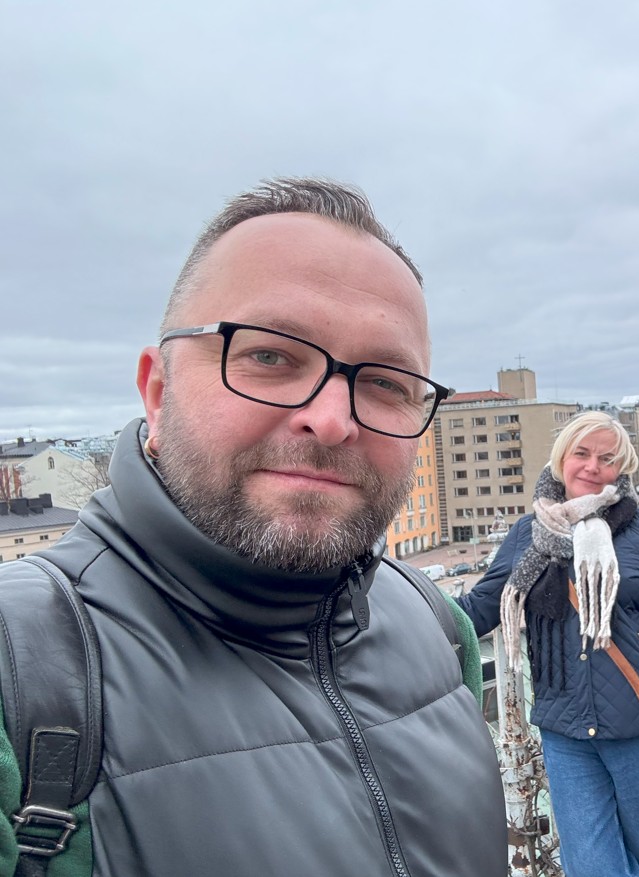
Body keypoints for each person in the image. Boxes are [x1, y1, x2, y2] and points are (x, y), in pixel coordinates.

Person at [0, 179, 507, 875]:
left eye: (387, 382)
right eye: (270, 355)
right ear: (158, 392)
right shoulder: (21, 671)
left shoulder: (435, 625)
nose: (333, 420)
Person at [459, 411, 639, 877]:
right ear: (561, 459)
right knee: (593, 866)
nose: (593, 466)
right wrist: (404, 605)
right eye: (582, 453)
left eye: (607, 458)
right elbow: (477, 610)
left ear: (622, 467)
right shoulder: (527, 534)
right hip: (566, 733)